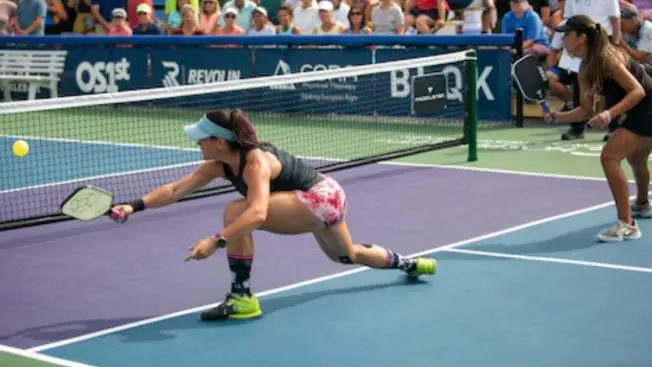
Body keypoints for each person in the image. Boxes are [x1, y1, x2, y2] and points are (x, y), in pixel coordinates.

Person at [109, 109, 437, 320]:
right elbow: (175, 190)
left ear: (221, 142)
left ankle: (242, 298)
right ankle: (411, 264)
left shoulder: (256, 163)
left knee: (237, 211)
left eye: (201, 139)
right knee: (347, 256)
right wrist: (134, 206)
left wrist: (216, 241)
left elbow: (258, 212)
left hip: (319, 198)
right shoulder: (217, 165)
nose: (197, 144)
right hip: (331, 195)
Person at [545, 15, 652, 243]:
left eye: (567, 34)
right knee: (636, 161)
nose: (562, 39)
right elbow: (585, 110)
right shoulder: (584, 68)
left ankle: (627, 225)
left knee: (609, 157)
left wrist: (609, 114)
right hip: (643, 109)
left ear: (582, 37)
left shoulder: (606, 57)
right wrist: (558, 117)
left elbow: (637, 91)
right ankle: (643, 203)